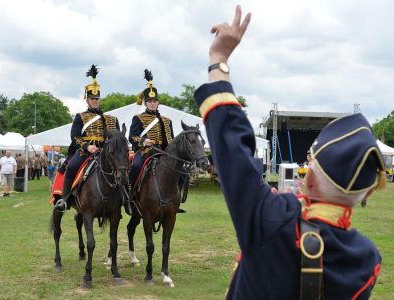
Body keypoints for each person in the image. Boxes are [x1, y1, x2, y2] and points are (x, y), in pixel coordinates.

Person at [193, 6, 386, 299]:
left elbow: (232, 143)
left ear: (308, 180)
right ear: (367, 194)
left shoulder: (272, 217)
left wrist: (218, 60)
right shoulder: (367, 260)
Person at [54, 65, 120, 212]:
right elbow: (75, 137)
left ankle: (124, 200)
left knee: (121, 168)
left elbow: (116, 139)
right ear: (87, 100)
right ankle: (65, 200)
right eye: (92, 98)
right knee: (71, 167)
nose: (95, 101)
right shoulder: (81, 117)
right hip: (85, 152)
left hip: (104, 152)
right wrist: (87, 146)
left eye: (97, 98)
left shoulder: (111, 119)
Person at [128, 69, 186, 213]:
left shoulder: (167, 121)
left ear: (158, 103)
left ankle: (175, 201)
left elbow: (170, 140)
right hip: (146, 152)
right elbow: (132, 136)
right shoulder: (139, 118)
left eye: (155, 101)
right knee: (135, 167)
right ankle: (130, 197)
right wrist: (143, 141)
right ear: (145, 103)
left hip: (164, 153)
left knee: (182, 172)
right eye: (150, 101)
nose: (152, 104)